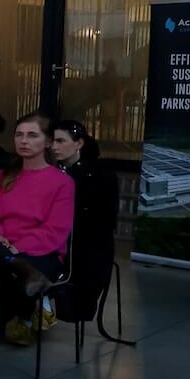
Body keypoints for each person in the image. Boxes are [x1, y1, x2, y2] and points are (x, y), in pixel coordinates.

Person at [0, 112, 73, 379]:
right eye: (20, 134)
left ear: (48, 142)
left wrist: (17, 246)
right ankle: (17, 270)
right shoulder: (1, 177)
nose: (24, 140)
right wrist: (5, 243)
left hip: (41, 255)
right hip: (3, 250)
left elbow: (55, 231)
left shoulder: (62, 182)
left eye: (32, 135)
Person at [51, 119, 118, 326]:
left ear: (78, 143)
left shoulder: (100, 175)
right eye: (53, 141)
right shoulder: (57, 172)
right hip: (61, 242)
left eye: (61, 141)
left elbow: (102, 221)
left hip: (87, 250)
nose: (54, 146)